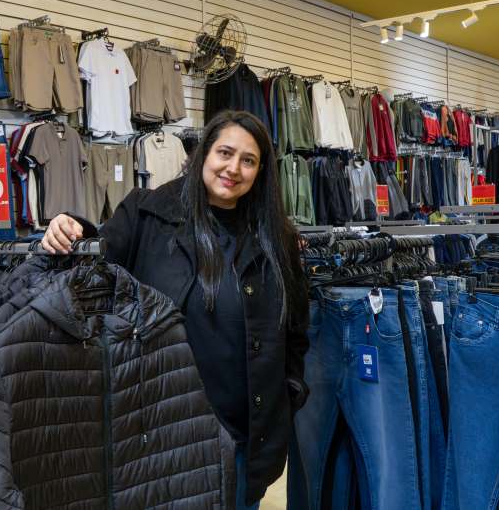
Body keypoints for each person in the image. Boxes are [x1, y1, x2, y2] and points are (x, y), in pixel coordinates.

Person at [43, 110, 310, 508]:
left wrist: (287, 395)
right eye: (225, 153)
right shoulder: (147, 213)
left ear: (260, 171)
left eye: (248, 160)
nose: (233, 168)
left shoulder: (276, 237)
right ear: (204, 153)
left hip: (243, 440)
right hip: (160, 435)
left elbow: (296, 332)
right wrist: (71, 227)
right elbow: (97, 266)